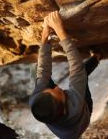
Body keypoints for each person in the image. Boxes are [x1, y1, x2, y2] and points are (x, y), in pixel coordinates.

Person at [29, 11, 100, 139]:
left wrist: (45, 37)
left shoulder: (36, 101)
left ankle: (95, 58)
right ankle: (97, 57)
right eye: (60, 93)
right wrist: (60, 30)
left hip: (62, 124)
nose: (57, 87)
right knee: (83, 73)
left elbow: (43, 70)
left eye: (50, 89)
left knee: (35, 70)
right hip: (83, 114)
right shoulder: (76, 105)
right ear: (64, 109)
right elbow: (76, 68)